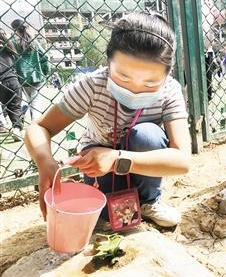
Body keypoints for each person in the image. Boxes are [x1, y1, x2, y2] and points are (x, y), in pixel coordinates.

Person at [24, 12, 191, 228]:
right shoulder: (93, 85)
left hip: (138, 160)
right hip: (97, 160)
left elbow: (183, 160)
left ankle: (149, 201)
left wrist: (116, 159)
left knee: (147, 135)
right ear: (108, 63)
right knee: (104, 219)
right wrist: (44, 160)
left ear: (168, 74)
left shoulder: (170, 90)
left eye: (150, 83)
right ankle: (109, 203)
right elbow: (40, 127)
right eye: (122, 77)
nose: (135, 88)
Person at [11, 19, 50, 122]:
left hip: (22, 77)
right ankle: (35, 122)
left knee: (30, 101)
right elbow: (45, 56)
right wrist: (46, 72)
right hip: (37, 76)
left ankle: (26, 116)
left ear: (14, 30)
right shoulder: (33, 41)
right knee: (36, 102)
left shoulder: (13, 44)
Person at [0, 28, 23, 141]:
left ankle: (5, 124)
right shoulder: (9, 47)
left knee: (6, 108)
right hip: (13, 80)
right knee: (15, 107)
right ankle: (17, 129)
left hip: (1, 82)